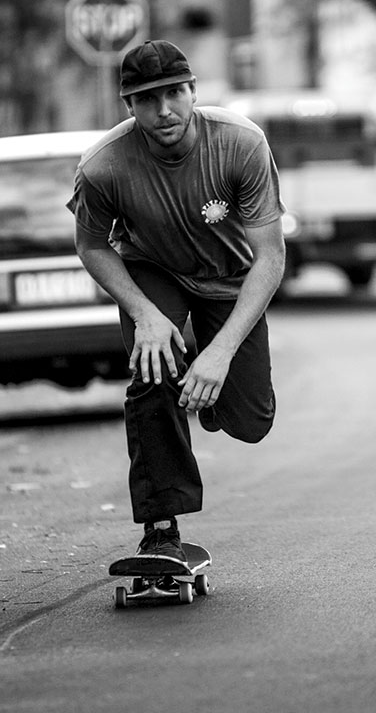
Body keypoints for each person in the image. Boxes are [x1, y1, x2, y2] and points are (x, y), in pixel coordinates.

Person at [67, 40, 286, 563]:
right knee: (152, 373)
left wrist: (220, 352)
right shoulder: (104, 167)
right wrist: (144, 314)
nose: (163, 110)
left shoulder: (240, 144)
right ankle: (161, 528)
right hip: (153, 272)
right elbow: (91, 245)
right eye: (146, 99)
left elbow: (271, 258)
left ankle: (206, 390)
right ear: (129, 106)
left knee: (251, 421)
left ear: (193, 92)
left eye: (173, 94)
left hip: (230, 276)